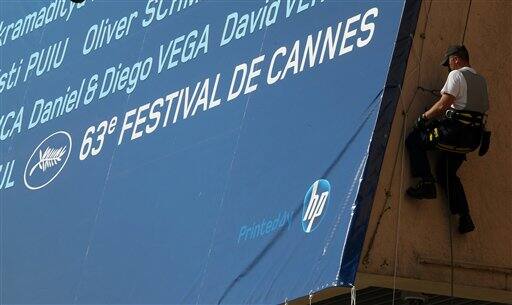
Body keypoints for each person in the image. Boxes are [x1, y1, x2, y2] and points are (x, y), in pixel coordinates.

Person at [405, 45, 489, 234]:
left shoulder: (456, 75)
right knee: (446, 173)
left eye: (449, 63)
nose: (448, 68)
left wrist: (423, 118)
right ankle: (464, 217)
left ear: (456, 59)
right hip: (471, 141)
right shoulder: (482, 81)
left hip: (452, 133)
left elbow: (443, 105)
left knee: (414, 140)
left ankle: (426, 184)